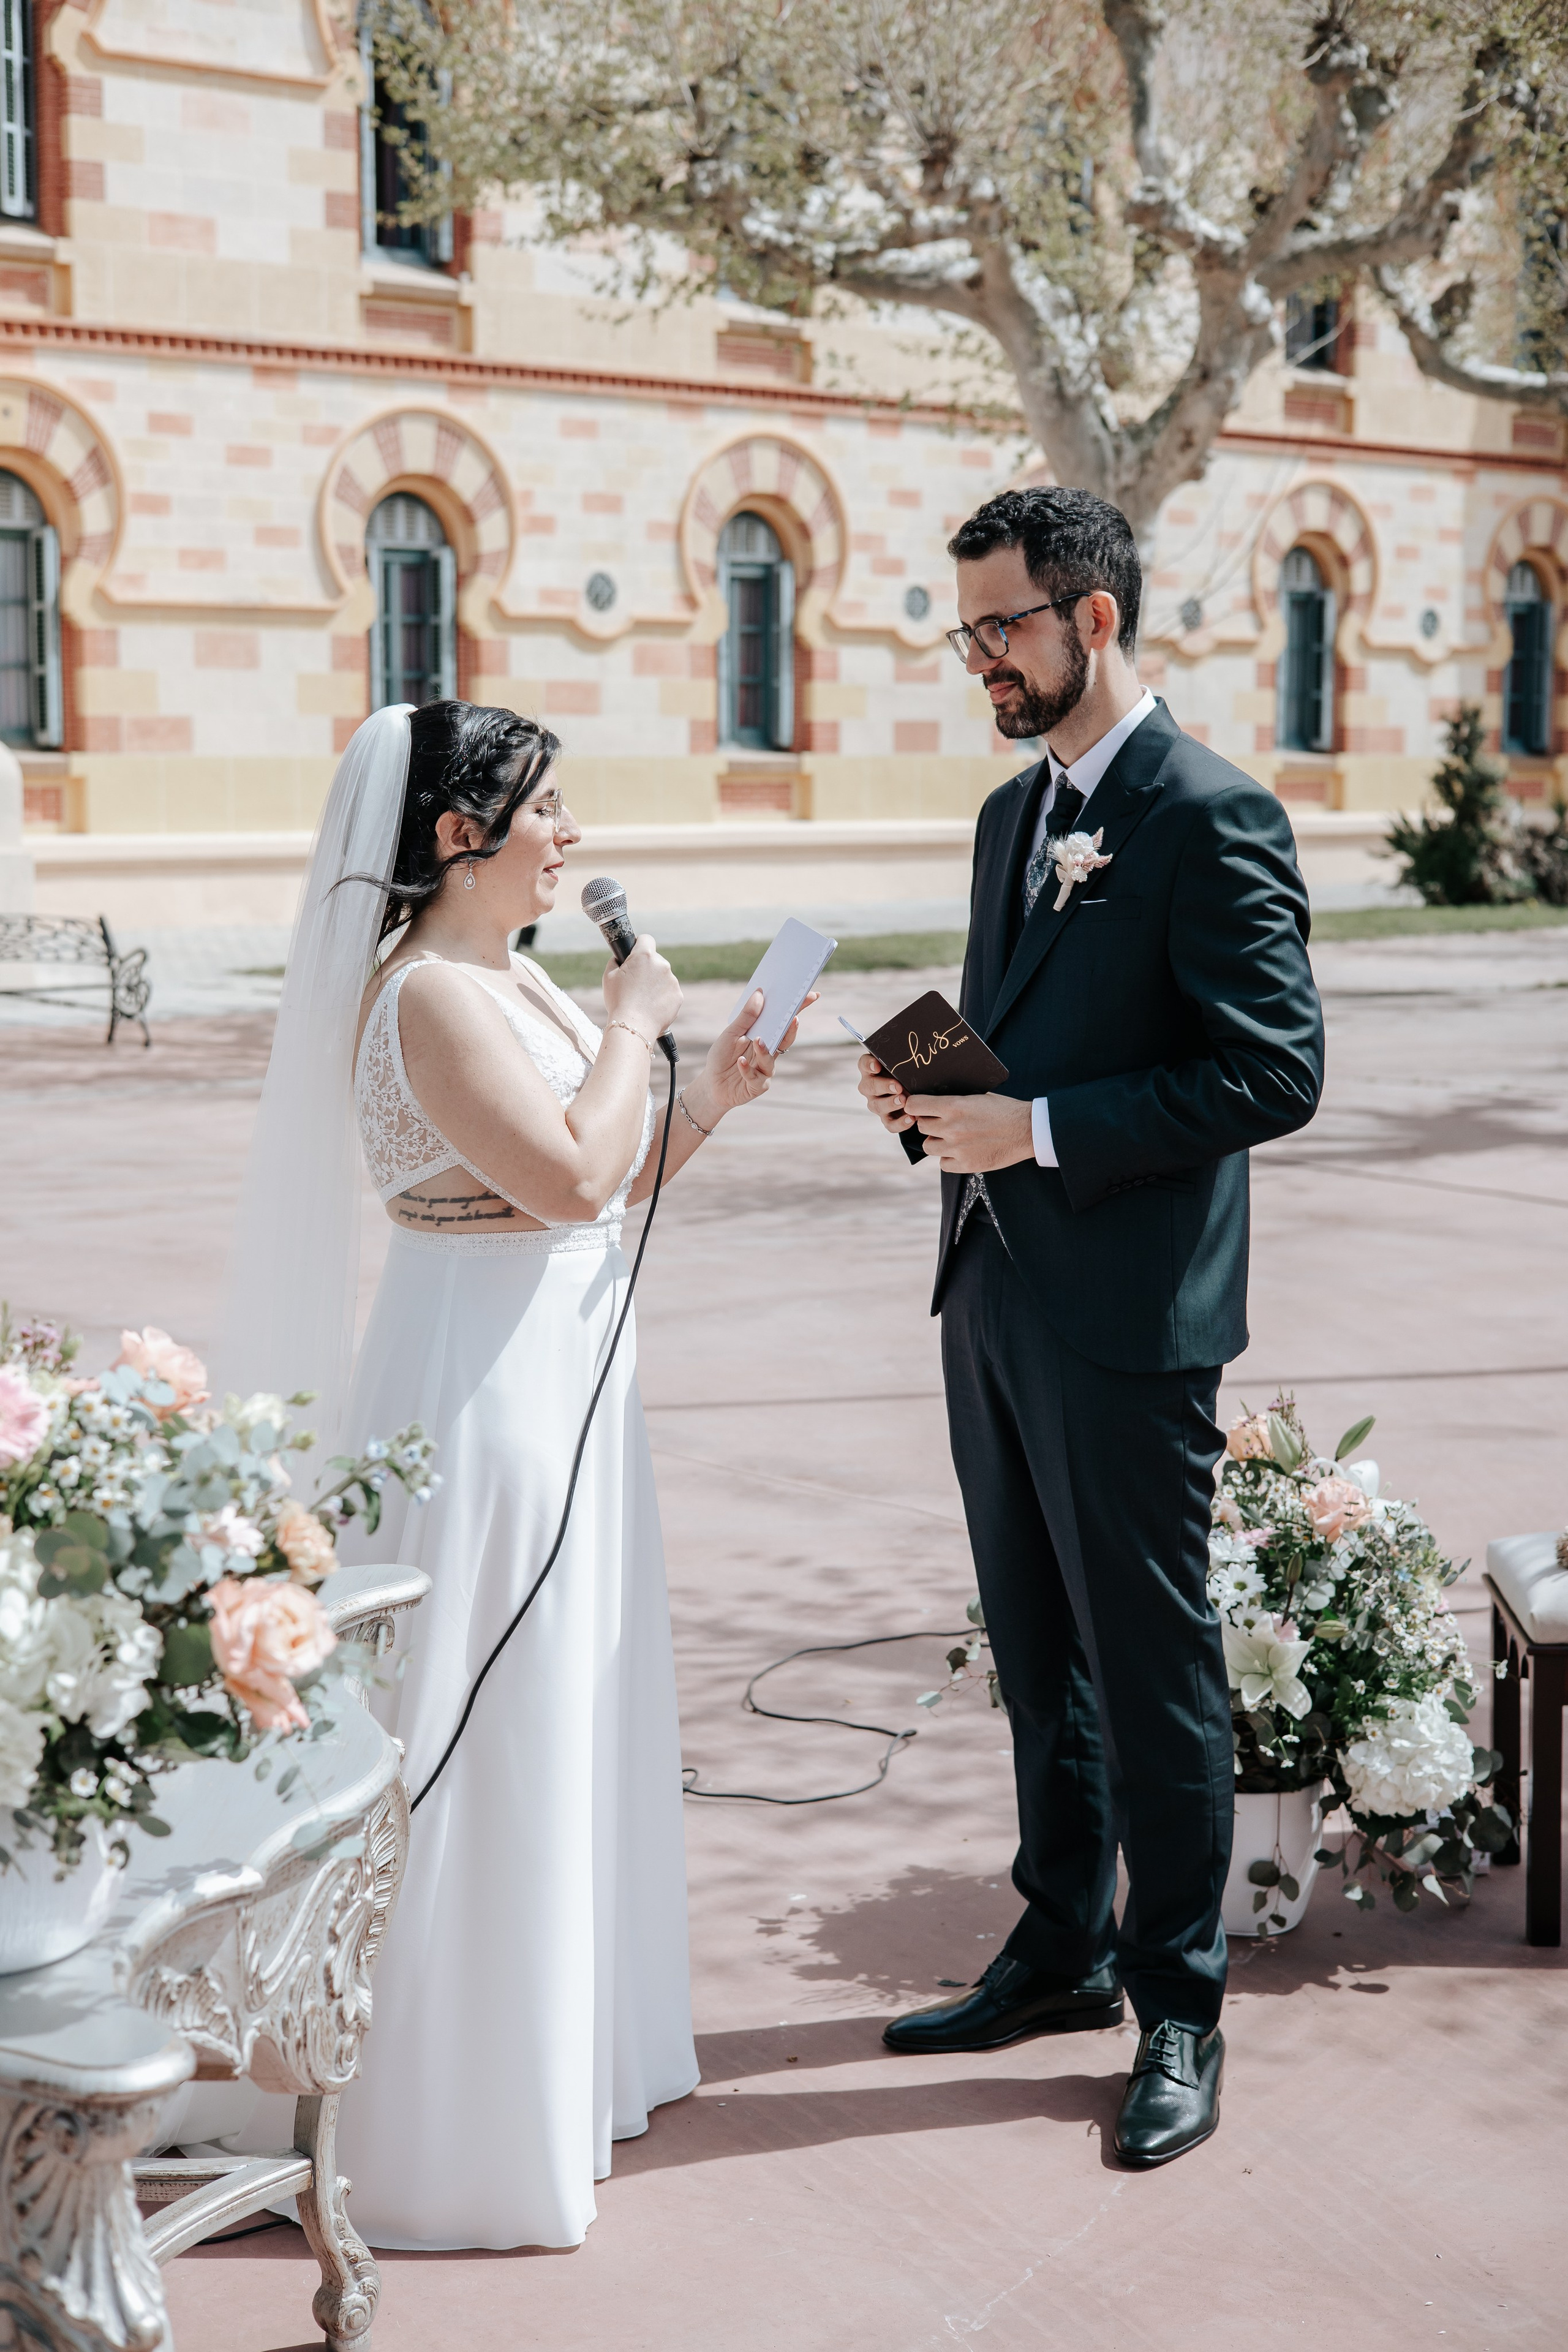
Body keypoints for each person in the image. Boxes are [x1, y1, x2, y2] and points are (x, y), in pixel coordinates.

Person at [217, 698, 806, 2250]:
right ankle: (450, 2127)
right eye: (547, 807)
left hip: (566, 1380)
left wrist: (715, 1091)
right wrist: (633, 1027)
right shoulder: (427, 997)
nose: (573, 835)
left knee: (573, 1717)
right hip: (480, 1398)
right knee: (486, 1733)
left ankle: (569, 2061)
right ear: (458, 834)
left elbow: (600, 1182)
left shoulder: (510, 979)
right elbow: (565, 1174)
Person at [858, 488, 1324, 2167]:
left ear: (1096, 617)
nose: (976, 654)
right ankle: (1058, 1946)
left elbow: (1275, 1073)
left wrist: (1038, 1131)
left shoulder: (1215, 813)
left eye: (1002, 626)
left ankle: (1179, 2003)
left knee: (1149, 1662)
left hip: (1130, 1316)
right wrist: (941, 1095)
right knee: (1034, 1649)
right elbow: (1029, 1036)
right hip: (989, 1287)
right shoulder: (1008, 817)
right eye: (963, 628)